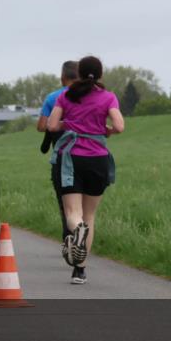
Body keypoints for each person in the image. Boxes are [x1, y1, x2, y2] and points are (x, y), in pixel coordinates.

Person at [46, 56, 125, 285]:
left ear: (79, 73)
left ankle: (77, 230)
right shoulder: (108, 97)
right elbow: (119, 126)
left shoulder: (66, 95)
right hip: (97, 160)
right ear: (100, 74)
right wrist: (106, 130)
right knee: (89, 215)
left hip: (70, 159)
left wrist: (69, 124)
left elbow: (51, 125)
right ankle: (79, 271)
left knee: (73, 213)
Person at [36, 60, 78, 262]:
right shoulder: (92, 96)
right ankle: (82, 245)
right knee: (85, 206)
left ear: (62, 78)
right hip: (91, 155)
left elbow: (41, 126)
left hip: (62, 157)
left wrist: (58, 124)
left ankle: (68, 237)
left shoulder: (54, 97)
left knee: (66, 203)